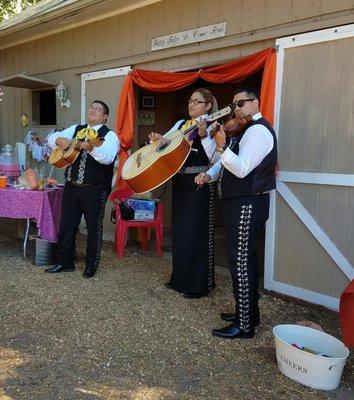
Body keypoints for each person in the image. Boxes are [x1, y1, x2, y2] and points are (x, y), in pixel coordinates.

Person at [195, 87, 277, 338]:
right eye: (233, 105)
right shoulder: (243, 130)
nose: (236, 109)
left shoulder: (259, 131)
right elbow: (224, 163)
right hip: (238, 203)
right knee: (243, 261)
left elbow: (241, 169)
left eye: (241, 103)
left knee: (240, 263)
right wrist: (209, 174)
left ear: (256, 103)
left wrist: (221, 146)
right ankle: (248, 313)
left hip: (248, 204)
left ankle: (244, 326)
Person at [149, 88, 219, 298]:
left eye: (197, 102)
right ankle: (179, 279)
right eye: (190, 101)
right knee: (181, 231)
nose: (191, 105)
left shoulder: (215, 124)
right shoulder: (180, 124)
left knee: (197, 233)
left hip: (201, 182)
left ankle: (199, 285)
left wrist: (204, 135)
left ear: (207, 106)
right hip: (181, 182)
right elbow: (167, 143)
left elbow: (215, 159)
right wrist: (159, 140)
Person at [45, 100, 120, 278]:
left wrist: (91, 148)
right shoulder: (76, 129)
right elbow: (50, 139)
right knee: (66, 225)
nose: (93, 110)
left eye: (98, 109)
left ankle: (91, 265)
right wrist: (59, 139)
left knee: (94, 227)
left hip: (95, 189)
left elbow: (107, 158)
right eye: (91, 107)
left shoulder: (110, 136)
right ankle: (64, 262)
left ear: (105, 116)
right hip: (72, 186)